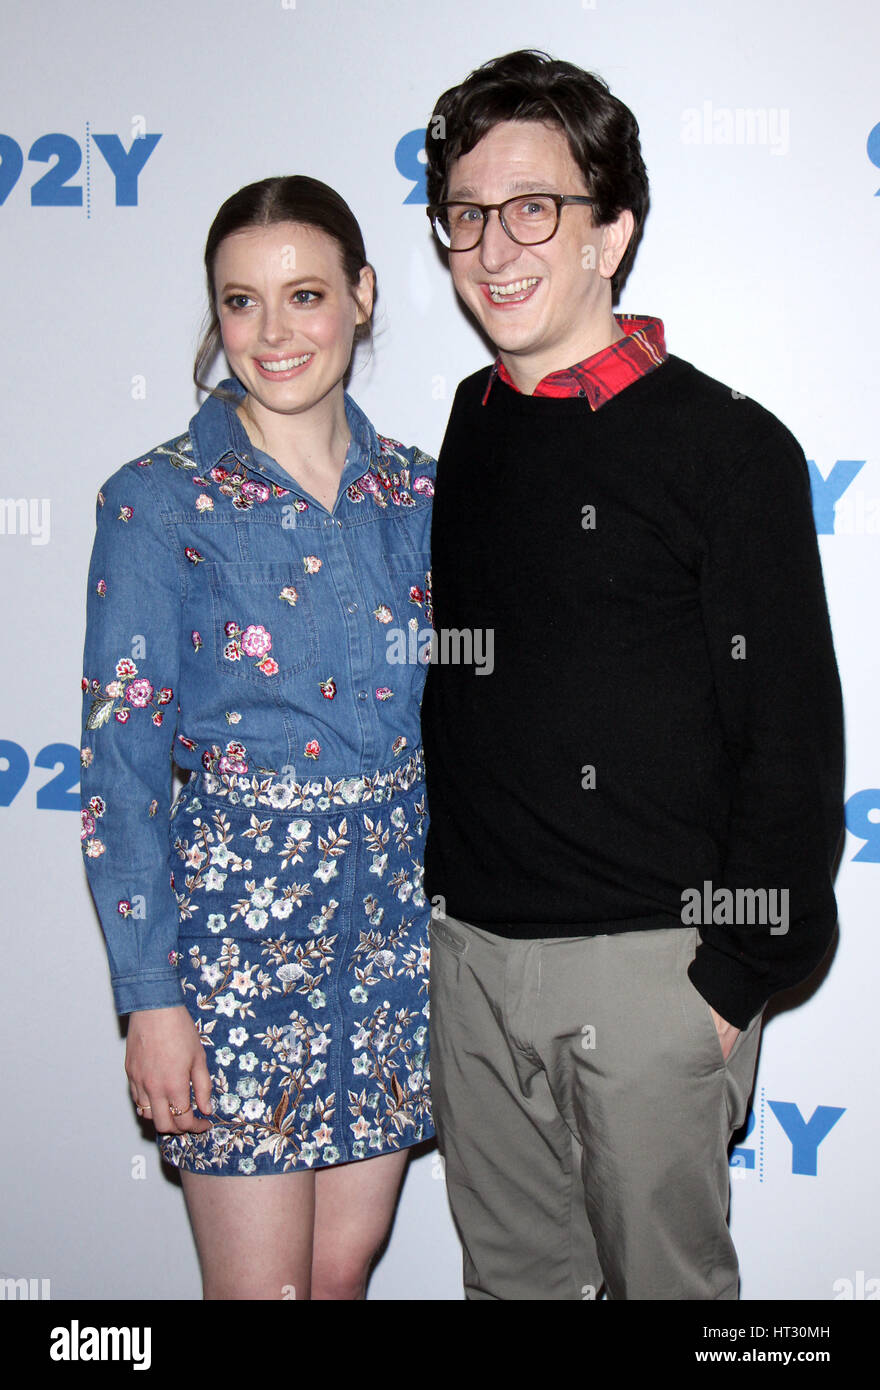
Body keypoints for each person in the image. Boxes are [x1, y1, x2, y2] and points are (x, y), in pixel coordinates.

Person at [420, 50, 844, 1300]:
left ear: (613, 230)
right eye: (466, 214)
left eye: (535, 208)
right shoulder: (469, 419)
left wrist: (724, 985)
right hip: (472, 963)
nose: (495, 246)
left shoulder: (731, 448)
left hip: (654, 969)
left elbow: (792, 742)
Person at [80, 176, 435, 1300]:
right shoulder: (156, 500)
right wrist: (152, 994)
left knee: (336, 1272)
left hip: (393, 936)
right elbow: (118, 768)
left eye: (305, 294)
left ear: (363, 296)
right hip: (232, 947)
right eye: (242, 302)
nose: (273, 332)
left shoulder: (422, 491)